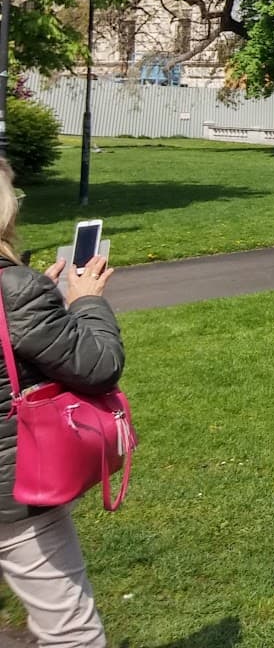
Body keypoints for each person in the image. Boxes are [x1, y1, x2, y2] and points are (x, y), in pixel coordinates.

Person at [0, 161, 125, 645]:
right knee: (73, 634)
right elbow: (97, 365)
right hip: (14, 489)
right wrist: (84, 301)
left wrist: (38, 300)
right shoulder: (15, 291)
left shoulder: (17, 292)